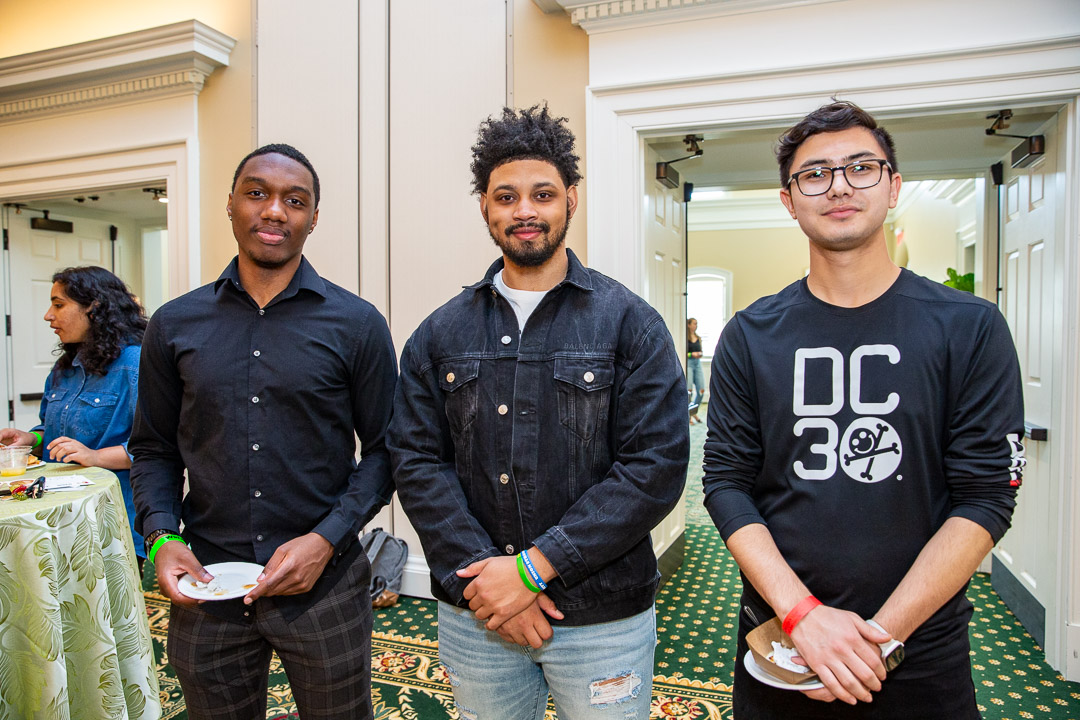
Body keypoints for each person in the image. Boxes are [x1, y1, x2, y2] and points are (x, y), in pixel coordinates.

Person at [703, 101, 1025, 719]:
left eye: (860, 167)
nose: (839, 186)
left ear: (893, 186)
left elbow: (986, 497)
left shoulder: (970, 327)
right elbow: (725, 483)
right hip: (782, 646)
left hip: (920, 654)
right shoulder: (749, 334)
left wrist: (878, 640)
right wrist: (804, 617)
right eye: (815, 174)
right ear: (789, 200)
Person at [388, 105, 689, 720]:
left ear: (570, 200)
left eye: (543, 194)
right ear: (485, 207)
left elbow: (654, 468)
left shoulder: (631, 324)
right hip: (477, 613)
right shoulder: (439, 333)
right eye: (506, 196)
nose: (524, 210)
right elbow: (416, 461)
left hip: (602, 617)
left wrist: (531, 571)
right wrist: (486, 580)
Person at [130, 143, 397, 720]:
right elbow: (152, 449)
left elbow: (386, 452)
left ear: (313, 218)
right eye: (257, 193)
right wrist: (160, 536)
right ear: (230, 204)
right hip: (209, 582)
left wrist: (326, 539)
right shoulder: (173, 324)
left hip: (324, 584)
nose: (274, 210)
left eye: (295, 201)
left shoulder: (357, 325)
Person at [1, 266, 147, 563]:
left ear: (94, 308)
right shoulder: (64, 368)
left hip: (108, 518)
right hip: (55, 514)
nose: (48, 316)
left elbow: (156, 447)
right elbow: (52, 429)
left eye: (58, 305)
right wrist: (31, 439)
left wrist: (95, 457)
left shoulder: (135, 363)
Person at [686, 317, 705, 424]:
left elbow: (701, 351)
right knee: (689, 391)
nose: (695, 325)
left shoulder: (698, 338)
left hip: (697, 364)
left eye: (696, 323)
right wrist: (691, 354)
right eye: (694, 323)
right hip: (689, 363)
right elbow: (684, 352)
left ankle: (693, 411)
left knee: (701, 390)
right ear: (688, 325)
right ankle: (689, 414)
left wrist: (700, 354)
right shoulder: (685, 338)